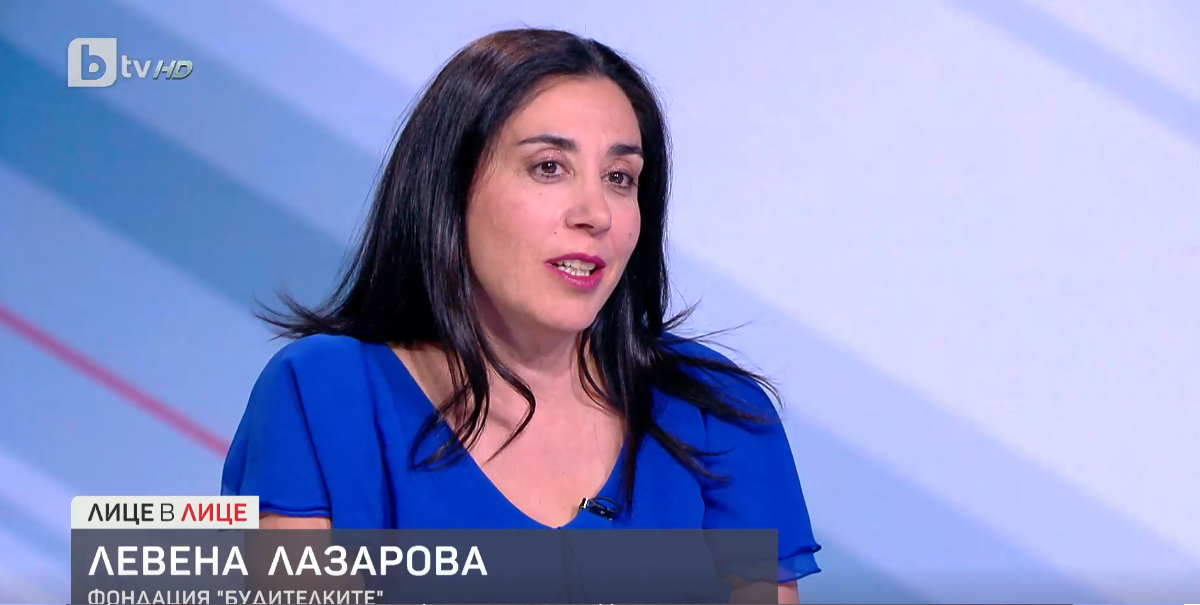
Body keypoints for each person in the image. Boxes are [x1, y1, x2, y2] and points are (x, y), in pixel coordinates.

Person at [221, 27, 821, 603]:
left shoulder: (717, 412)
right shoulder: (324, 393)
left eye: (620, 178)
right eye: (549, 167)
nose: (596, 214)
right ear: (450, 187)